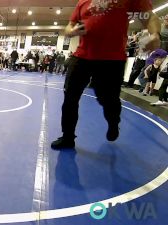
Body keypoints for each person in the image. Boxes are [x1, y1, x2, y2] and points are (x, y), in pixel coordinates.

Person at [51, 0, 161, 149]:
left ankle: (113, 122)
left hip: (112, 60)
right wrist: (71, 31)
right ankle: (68, 137)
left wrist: (155, 35)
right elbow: (70, 26)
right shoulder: (83, 2)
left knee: (107, 99)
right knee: (70, 97)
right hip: (81, 57)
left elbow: (149, 17)